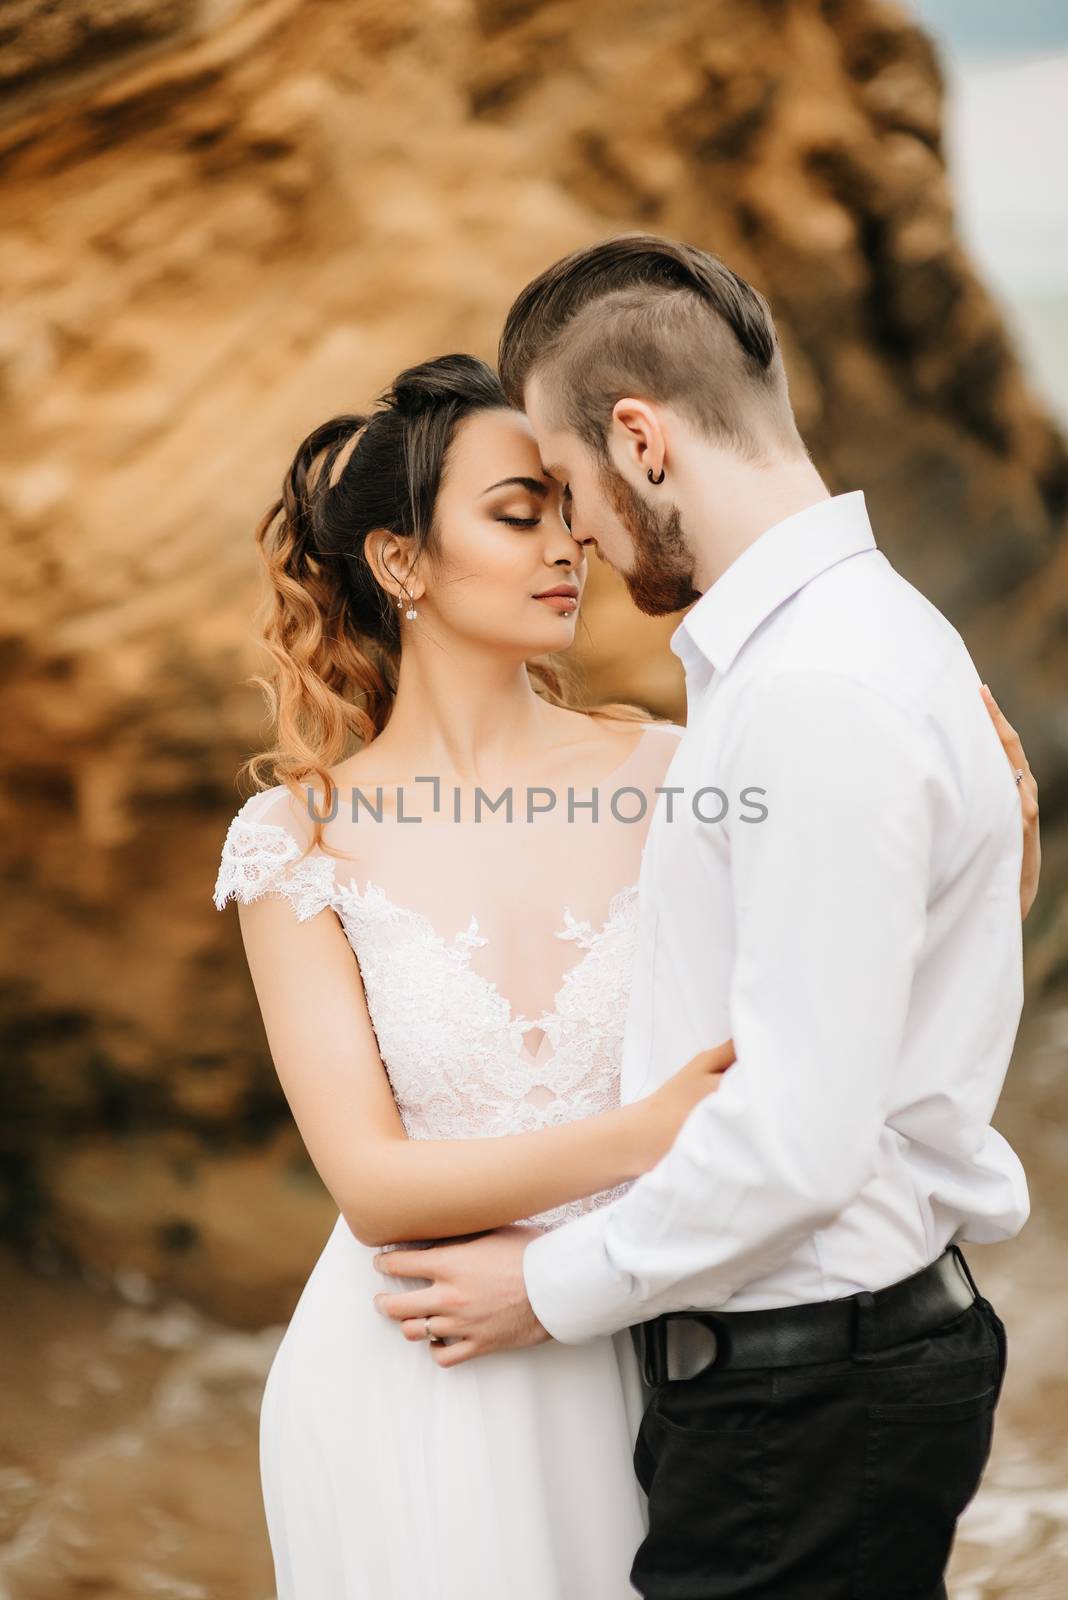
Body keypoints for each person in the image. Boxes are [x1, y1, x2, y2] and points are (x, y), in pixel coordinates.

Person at [370, 237, 1041, 1600]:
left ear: (642, 438)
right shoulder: (838, 651)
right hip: (815, 1385)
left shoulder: (815, 688)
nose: (578, 539)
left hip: (811, 1397)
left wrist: (545, 1291)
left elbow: (799, 1141)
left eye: (570, 489)